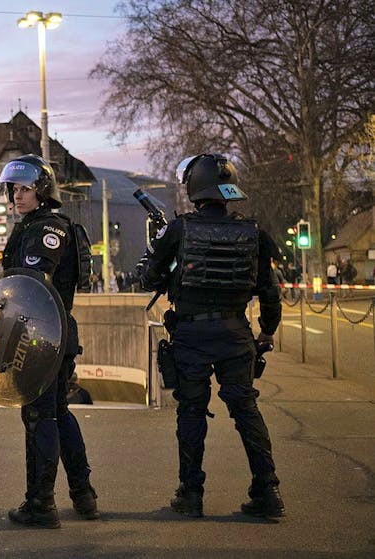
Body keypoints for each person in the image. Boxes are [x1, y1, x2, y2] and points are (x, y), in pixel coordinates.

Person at [137, 153, 284, 519]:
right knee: (246, 409)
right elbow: (269, 291)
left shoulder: (180, 229)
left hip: (190, 334)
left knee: (191, 413)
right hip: (236, 333)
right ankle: (267, 493)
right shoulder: (253, 232)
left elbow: (149, 280)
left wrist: (157, 252)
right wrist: (266, 331)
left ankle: (191, 494)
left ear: (194, 188)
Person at [0, 154, 99, 528]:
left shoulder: (47, 228)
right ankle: (83, 495)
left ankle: (41, 503)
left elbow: (31, 283)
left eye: (24, 189)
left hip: (43, 335)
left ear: (42, 191)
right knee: (58, 412)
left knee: (40, 416)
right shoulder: (33, 225)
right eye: (13, 189)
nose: (17, 196)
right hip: (48, 333)